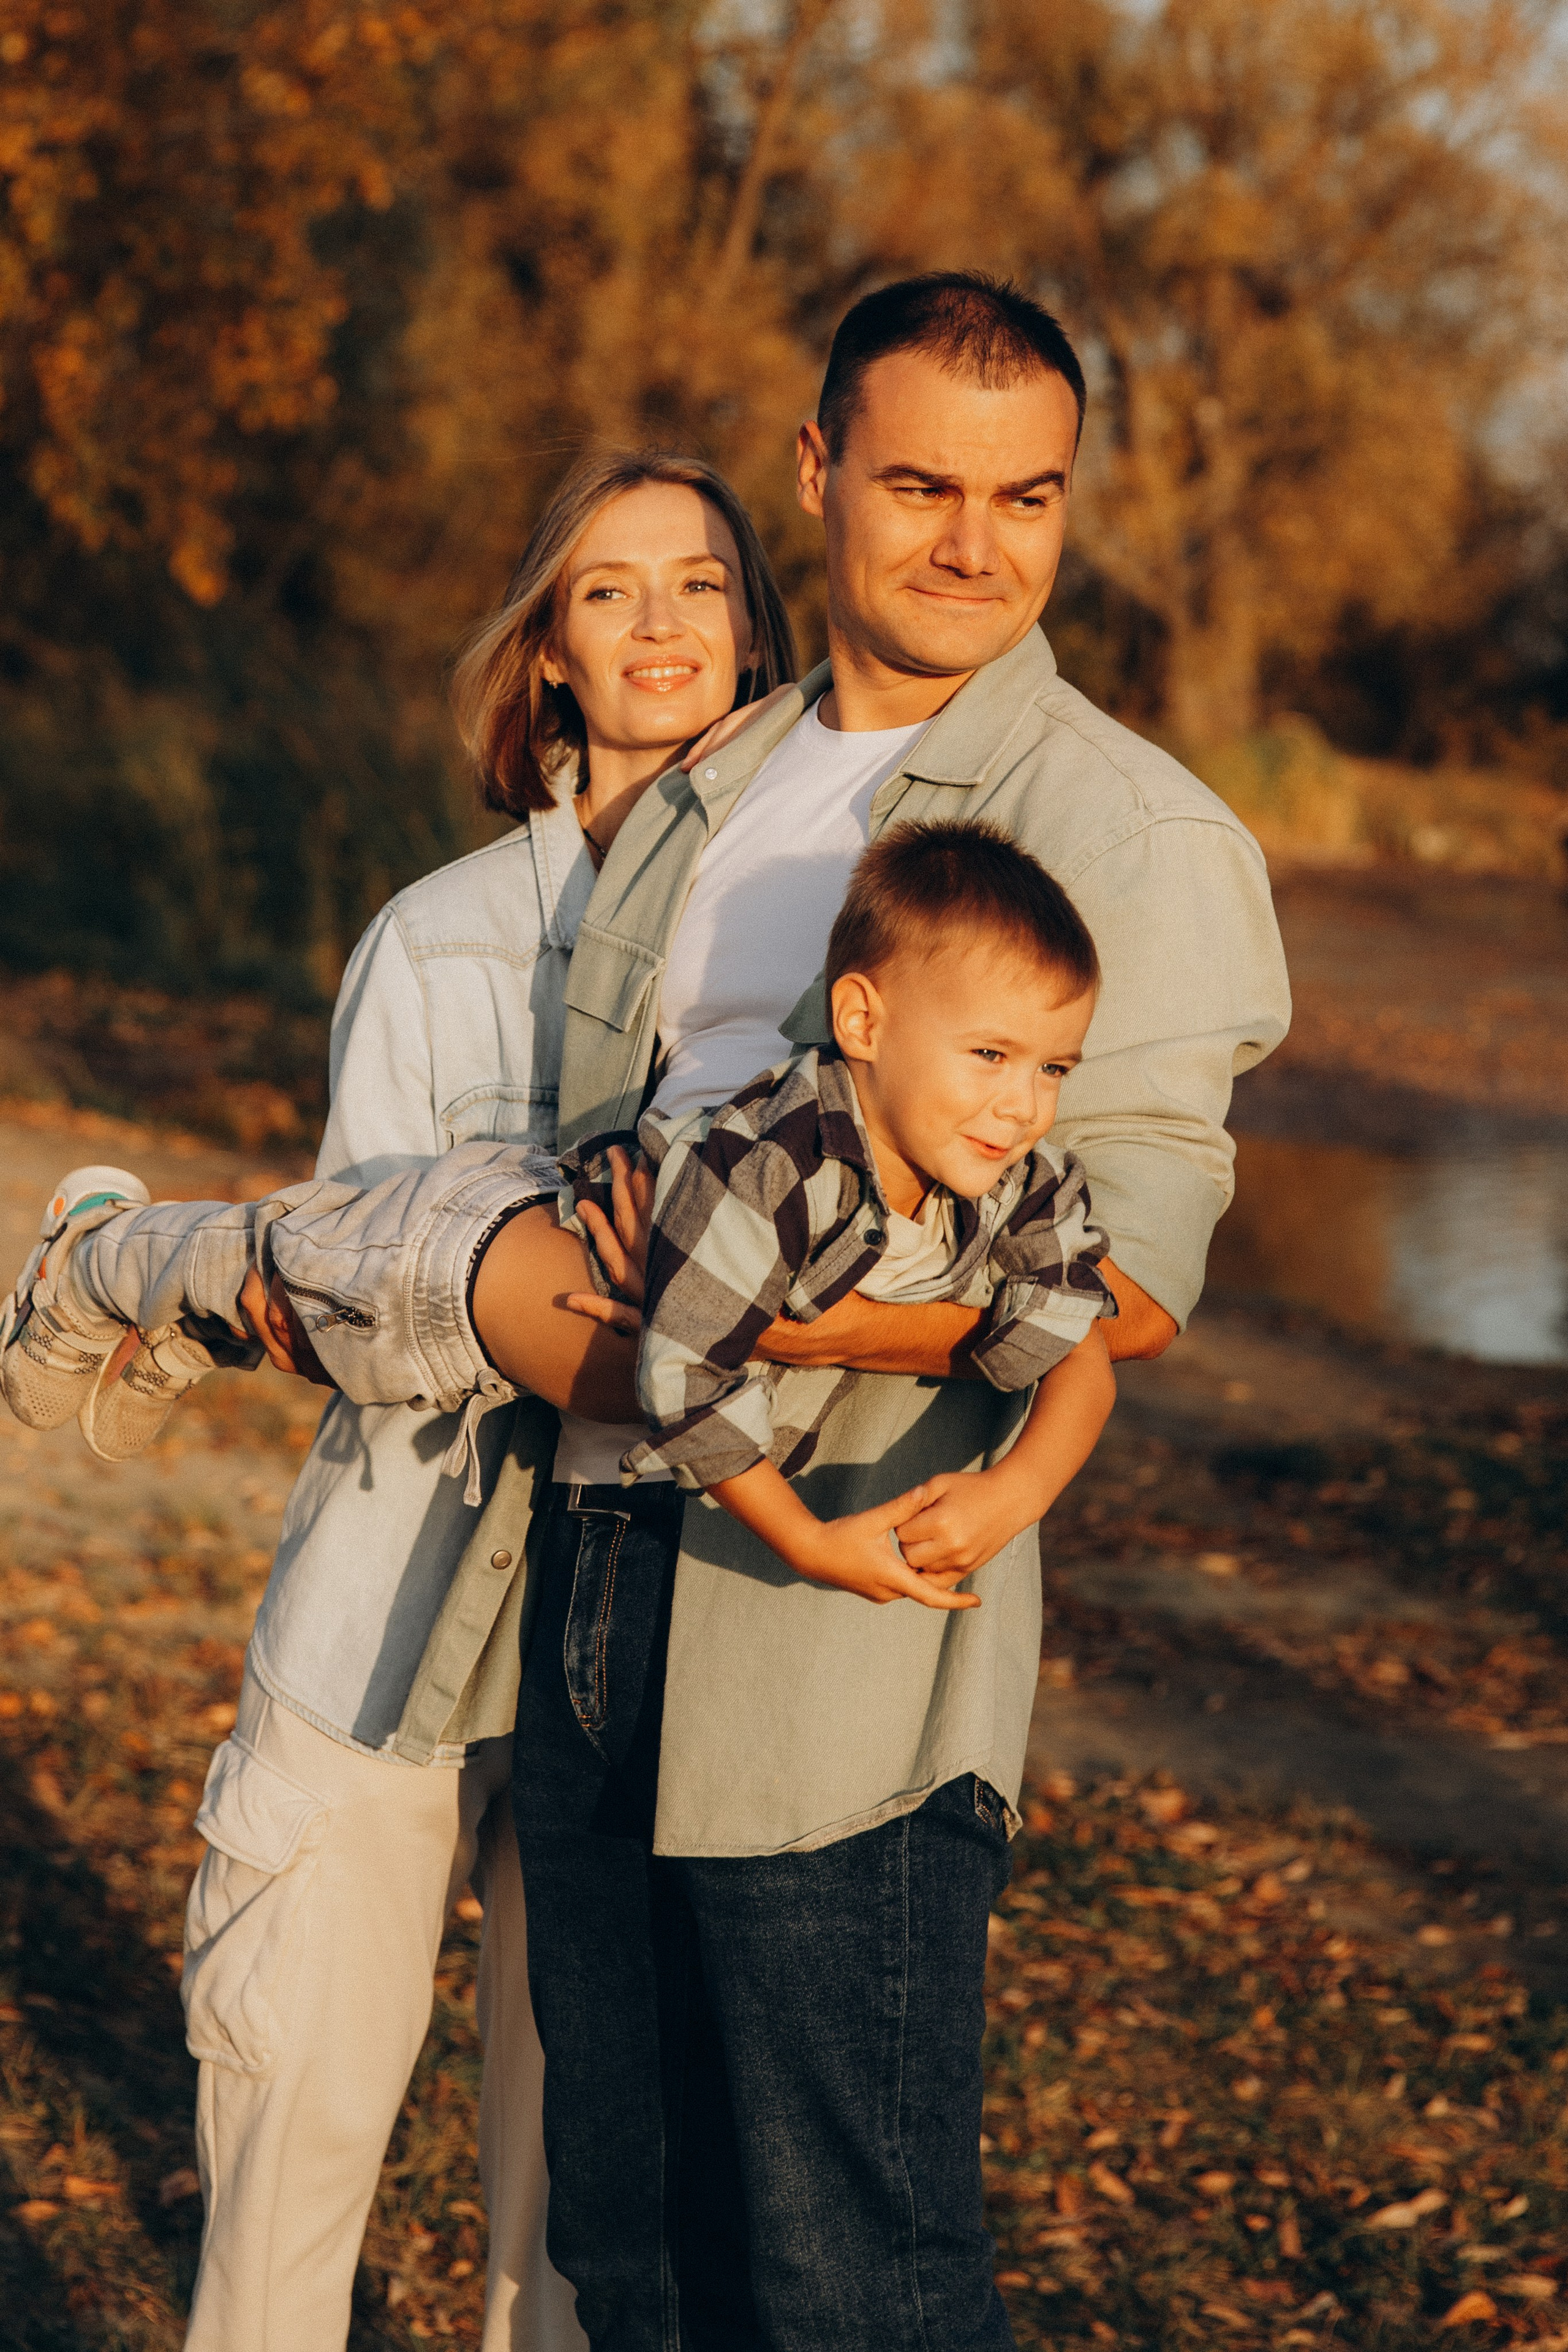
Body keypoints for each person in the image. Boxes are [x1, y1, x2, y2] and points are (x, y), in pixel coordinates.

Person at [10, 269, 1292, 2348]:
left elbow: (1129, 1282)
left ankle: (137, 1267)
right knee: (631, 2256)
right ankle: (149, 1271)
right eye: (920, 485)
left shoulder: (1124, 828)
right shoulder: (720, 777)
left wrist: (739, 1341)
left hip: (839, 1647)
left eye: (1029, 496)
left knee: (844, 2272)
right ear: (821, 476)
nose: (976, 543)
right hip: (602, 1585)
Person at [0, 448, 795, 2352]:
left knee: (578, 2209)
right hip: (399, 1618)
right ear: (548, 660)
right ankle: (121, 1268)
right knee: (294, 2152)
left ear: (759, 633)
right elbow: (362, 1300)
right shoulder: (434, 937)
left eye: (699, 583)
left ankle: (123, 1262)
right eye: (609, 591)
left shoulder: (794, 944)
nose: (663, 622)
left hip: (645, 1640)